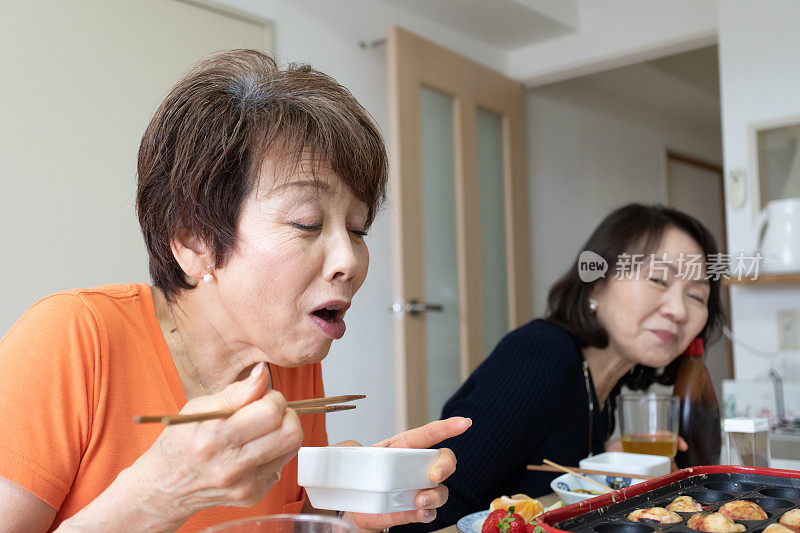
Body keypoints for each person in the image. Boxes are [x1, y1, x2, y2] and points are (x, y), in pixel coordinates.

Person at [0, 49, 469, 532]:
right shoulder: (72, 339)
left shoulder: (289, 363)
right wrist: (160, 493)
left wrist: (346, 512)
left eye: (358, 229)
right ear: (194, 242)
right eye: (307, 223)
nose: (349, 260)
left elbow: (281, 523)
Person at [392, 203, 725, 532]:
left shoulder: (604, 388)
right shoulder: (541, 353)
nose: (679, 310)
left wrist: (608, 457)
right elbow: (436, 503)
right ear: (596, 283)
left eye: (696, 296)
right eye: (657, 279)